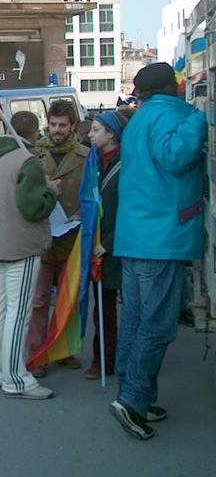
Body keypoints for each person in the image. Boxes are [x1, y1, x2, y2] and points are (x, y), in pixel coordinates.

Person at [109, 63, 206, 441]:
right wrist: (199, 119)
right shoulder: (173, 115)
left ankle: (135, 394)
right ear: (173, 87)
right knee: (158, 323)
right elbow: (175, 157)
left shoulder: (137, 120)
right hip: (161, 238)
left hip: (136, 236)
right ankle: (132, 400)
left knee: (134, 319)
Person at [0, 111, 57, 399]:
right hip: (20, 245)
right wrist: (51, 192)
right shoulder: (28, 161)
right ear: (35, 132)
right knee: (18, 313)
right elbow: (33, 207)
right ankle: (16, 379)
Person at [28, 99, 89, 376]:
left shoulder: (85, 156)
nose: (56, 130)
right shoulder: (34, 154)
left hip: (71, 236)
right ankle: (37, 353)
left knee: (68, 299)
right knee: (39, 299)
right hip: (42, 235)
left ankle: (64, 350)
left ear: (72, 126)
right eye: (53, 124)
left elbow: (90, 196)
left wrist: (80, 215)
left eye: (62, 125)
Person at [83, 109, 132, 380]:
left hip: (119, 245)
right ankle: (103, 359)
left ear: (111, 134)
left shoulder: (126, 164)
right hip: (97, 243)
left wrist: (109, 242)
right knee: (102, 307)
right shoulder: (94, 161)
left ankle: (122, 359)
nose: (90, 135)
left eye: (96, 130)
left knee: (127, 308)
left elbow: (129, 209)